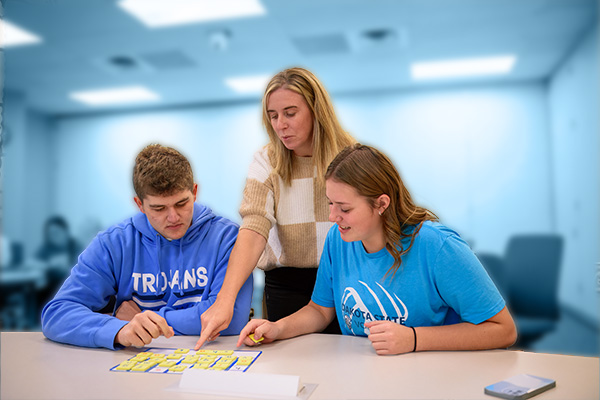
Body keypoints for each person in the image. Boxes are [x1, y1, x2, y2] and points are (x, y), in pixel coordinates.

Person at [238, 144, 517, 355]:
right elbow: (320, 310)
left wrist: (414, 339)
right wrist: (278, 328)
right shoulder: (339, 238)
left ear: (381, 204)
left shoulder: (437, 246)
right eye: (330, 204)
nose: (333, 217)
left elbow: (503, 330)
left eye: (345, 208)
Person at [196, 67, 355, 349]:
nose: (280, 124)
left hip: (345, 281)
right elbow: (254, 226)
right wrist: (225, 300)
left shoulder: (351, 156)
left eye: (290, 113)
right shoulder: (266, 161)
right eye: (273, 115)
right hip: (286, 287)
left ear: (316, 110)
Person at [41, 144, 253, 349]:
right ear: (139, 204)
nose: (173, 217)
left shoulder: (228, 238)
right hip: (138, 359)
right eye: (158, 208)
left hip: (207, 357)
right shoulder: (114, 243)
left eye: (181, 203)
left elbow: (231, 318)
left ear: (195, 192)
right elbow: (57, 313)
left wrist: (146, 321)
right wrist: (119, 330)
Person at [35, 216, 83, 312]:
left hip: (71, 287)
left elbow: (81, 268)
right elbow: (35, 262)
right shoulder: (47, 247)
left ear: (65, 231)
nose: (53, 236)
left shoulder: (75, 245)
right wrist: (49, 265)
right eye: (50, 234)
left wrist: (66, 267)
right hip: (49, 286)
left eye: (56, 233)